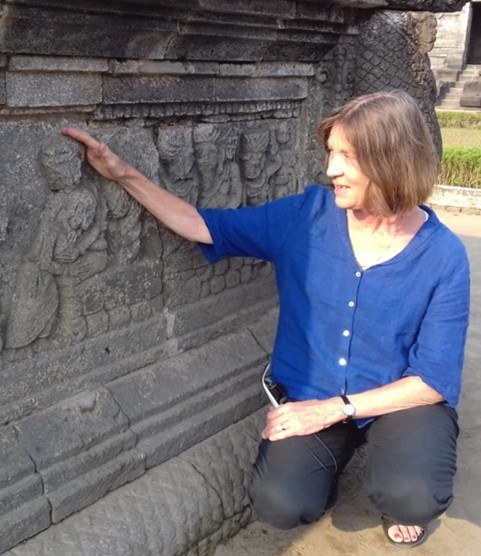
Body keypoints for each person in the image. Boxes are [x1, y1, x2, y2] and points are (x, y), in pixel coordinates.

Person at [62, 89, 470, 548]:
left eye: (347, 157)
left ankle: (399, 480)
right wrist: (121, 173)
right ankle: (335, 463)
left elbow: (433, 380)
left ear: (391, 161)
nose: (331, 169)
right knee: (281, 503)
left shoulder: (443, 255)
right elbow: (204, 225)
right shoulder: (306, 217)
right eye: (331, 152)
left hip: (399, 402)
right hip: (311, 397)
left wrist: (338, 409)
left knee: (412, 494)